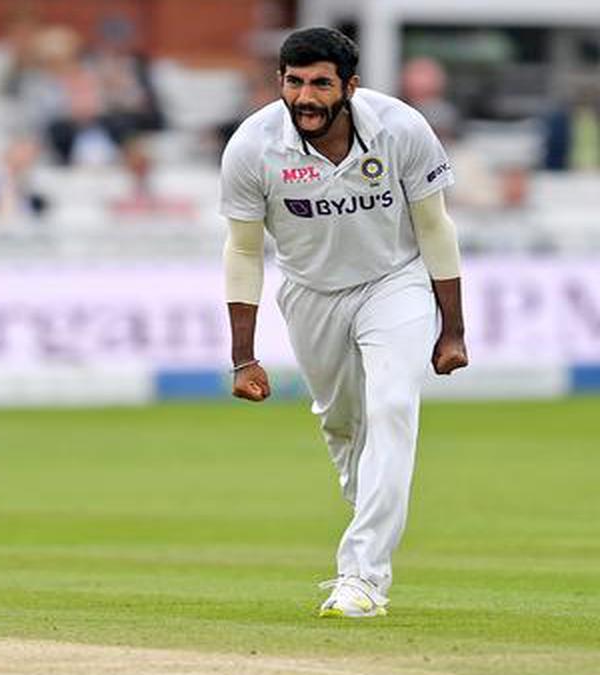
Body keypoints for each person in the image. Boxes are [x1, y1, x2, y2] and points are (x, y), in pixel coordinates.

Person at [218, 27, 467, 618]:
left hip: (394, 282)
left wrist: (452, 328)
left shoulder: (401, 128)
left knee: (392, 409)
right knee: (346, 429)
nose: (305, 97)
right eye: (294, 82)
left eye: (320, 84)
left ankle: (361, 577)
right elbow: (245, 251)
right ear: (280, 81)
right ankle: (370, 522)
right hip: (311, 294)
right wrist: (243, 356)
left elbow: (435, 228)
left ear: (349, 87)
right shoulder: (252, 147)